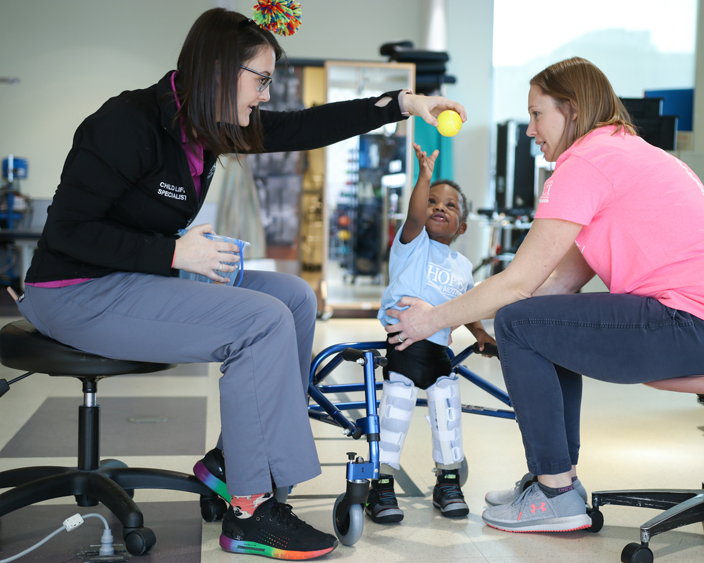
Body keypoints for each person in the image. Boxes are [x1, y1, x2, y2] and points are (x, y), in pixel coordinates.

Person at [9, 7, 466, 560]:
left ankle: (232, 462)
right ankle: (251, 509)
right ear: (222, 73)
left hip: (135, 275)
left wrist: (400, 104)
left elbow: (304, 126)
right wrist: (176, 251)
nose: (266, 96)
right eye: (262, 79)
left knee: (293, 298)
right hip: (75, 291)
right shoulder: (127, 123)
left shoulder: (208, 127)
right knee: (258, 319)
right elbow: (68, 232)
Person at [382, 57, 704, 534]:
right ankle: (558, 478)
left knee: (519, 322)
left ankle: (555, 491)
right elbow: (554, 287)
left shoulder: (584, 163)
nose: (530, 130)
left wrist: (430, 319)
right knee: (539, 319)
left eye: (536, 114)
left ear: (570, 110)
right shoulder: (622, 152)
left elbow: (518, 285)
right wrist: (472, 314)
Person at [366, 144, 495, 524]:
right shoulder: (412, 246)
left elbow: (465, 304)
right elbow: (415, 214)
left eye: (450, 206)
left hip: (439, 351)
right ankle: (382, 484)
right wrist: (423, 177)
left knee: (447, 411)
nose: (439, 207)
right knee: (396, 412)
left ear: (462, 227)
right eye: (433, 202)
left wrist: (480, 332)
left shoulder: (462, 265)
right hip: (404, 346)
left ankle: (449, 480)